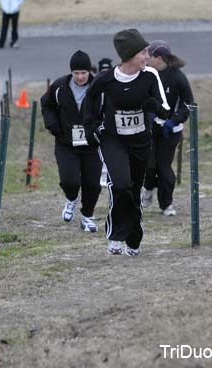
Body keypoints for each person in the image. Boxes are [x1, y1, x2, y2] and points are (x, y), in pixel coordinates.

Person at [83, 28, 170, 256]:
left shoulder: (150, 76)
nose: (147, 56)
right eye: (143, 52)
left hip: (140, 142)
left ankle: (134, 238)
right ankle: (115, 235)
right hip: (113, 140)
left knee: (133, 190)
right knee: (120, 184)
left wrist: (154, 107)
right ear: (130, 54)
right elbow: (89, 102)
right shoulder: (106, 79)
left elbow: (165, 111)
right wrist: (90, 126)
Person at [41, 50, 102, 232]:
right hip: (66, 143)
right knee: (70, 181)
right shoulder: (60, 86)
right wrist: (53, 125)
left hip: (92, 145)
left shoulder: (99, 88)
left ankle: (87, 217)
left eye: (83, 73)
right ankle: (71, 198)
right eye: (76, 73)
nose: (80, 77)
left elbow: (108, 109)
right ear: (71, 72)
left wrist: (100, 130)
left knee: (92, 184)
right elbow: (47, 104)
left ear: (89, 71)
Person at [142, 40, 194, 216]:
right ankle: (148, 188)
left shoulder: (178, 77)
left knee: (164, 168)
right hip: (148, 128)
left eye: (148, 56)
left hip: (170, 130)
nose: (145, 59)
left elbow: (188, 104)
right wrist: (148, 116)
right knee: (148, 165)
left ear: (158, 57)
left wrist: (173, 121)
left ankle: (166, 204)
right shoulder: (145, 74)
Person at [97, 57, 113, 187]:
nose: (105, 72)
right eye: (103, 70)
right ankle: (102, 175)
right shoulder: (96, 85)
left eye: (108, 70)